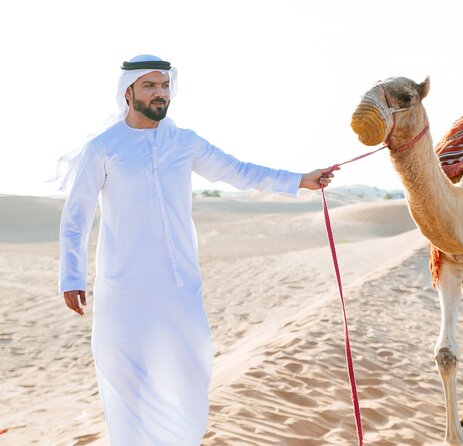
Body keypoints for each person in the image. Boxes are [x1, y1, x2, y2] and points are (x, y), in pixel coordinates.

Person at [58, 54, 335, 445]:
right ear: (128, 91)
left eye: (165, 86)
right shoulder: (104, 148)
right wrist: (70, 275)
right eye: (151, 86)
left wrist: (299, 180)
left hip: (179, 284)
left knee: (189, 373)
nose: (160, 93)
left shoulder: (185, 142)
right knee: (125, 377)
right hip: (125, 288)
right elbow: (76, 217)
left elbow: (240, 171)